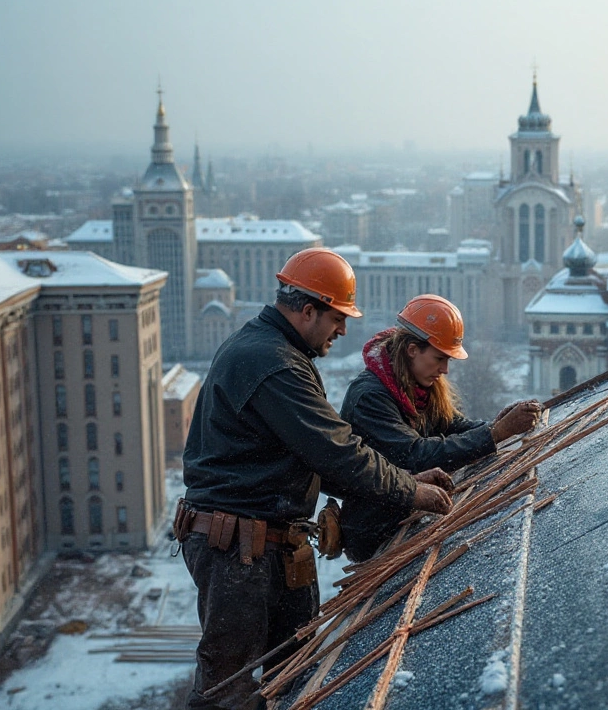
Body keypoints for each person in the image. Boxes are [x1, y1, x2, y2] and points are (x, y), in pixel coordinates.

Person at [175, 248, 454, 710]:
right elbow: (340, 452)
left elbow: (319, 458)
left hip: (269, 547)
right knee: (230, 693)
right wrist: (413, 491)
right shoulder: (274, 363)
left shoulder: (274, 350)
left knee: (298, 678)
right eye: (337, 318)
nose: (343, 330)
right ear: (308, 311)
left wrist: (406, 479)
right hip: (239, 551)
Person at [339, 294, 542, 487]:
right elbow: (415, 455)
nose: (445, 370)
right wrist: (496, 433)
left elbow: (452, 426)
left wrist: (499, 425)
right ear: (412, 350)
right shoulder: (370, 397)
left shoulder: (419, 387)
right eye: (439, 359)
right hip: (375, 520)